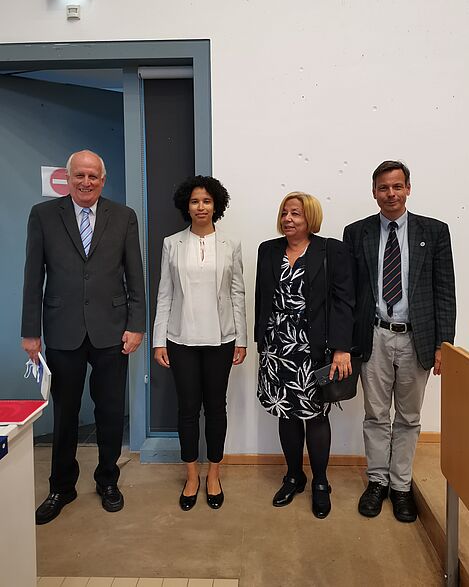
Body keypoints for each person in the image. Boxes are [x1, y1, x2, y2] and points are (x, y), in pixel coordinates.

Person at [22, 149, 146, 525]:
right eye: (80, 176)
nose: (86, 182)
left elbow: (135, 275)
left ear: (102, 180)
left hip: (112, 330)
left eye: (93, 176)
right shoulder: (43, 215)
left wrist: (137, 324)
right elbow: (33, 277)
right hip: (62, 331)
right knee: (66, 414)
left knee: (109, 412)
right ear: (68, 177)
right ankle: (62, 485)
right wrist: (31, 332)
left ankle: (108, 480)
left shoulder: (123, 216)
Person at [343, 160, 456, 523]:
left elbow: (444, 291)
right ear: (373, 191)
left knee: (408, 417)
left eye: (397, 187)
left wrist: (444, 344)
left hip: (416, 338)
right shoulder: (356, 232)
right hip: (373, 335)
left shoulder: (434, 232)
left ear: (408, 188)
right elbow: (347, 293)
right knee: (376, 415)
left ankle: (402, 485)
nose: (390, 194)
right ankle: (377, 482)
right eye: (383, 188)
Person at [255, 192, 354, 519]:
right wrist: (261, 340)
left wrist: (341, 348)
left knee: (316, 416)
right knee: (286, 413)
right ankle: (294, 476)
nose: (288, 219)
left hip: (313, 347)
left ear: (310, 217)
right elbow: (261, 298)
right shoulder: (267, 250)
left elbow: (343, 301)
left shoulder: (330, 250)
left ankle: (321, 482)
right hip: (277, 346)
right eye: (284, 212)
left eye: (295, 213)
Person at [152, 175, 247, 511]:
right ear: (186, 206)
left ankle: (214, 474)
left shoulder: (230, 245)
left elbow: (238, 292)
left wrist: (242, 339)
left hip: (222, 339)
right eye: (195, 201)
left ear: (216, 205)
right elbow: (165, 293)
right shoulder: (171, 244)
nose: (201, 206)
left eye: (206, 201)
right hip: (181, 339)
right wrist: (158, 339)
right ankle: (192, 474)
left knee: (216, 407)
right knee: (188, 409)